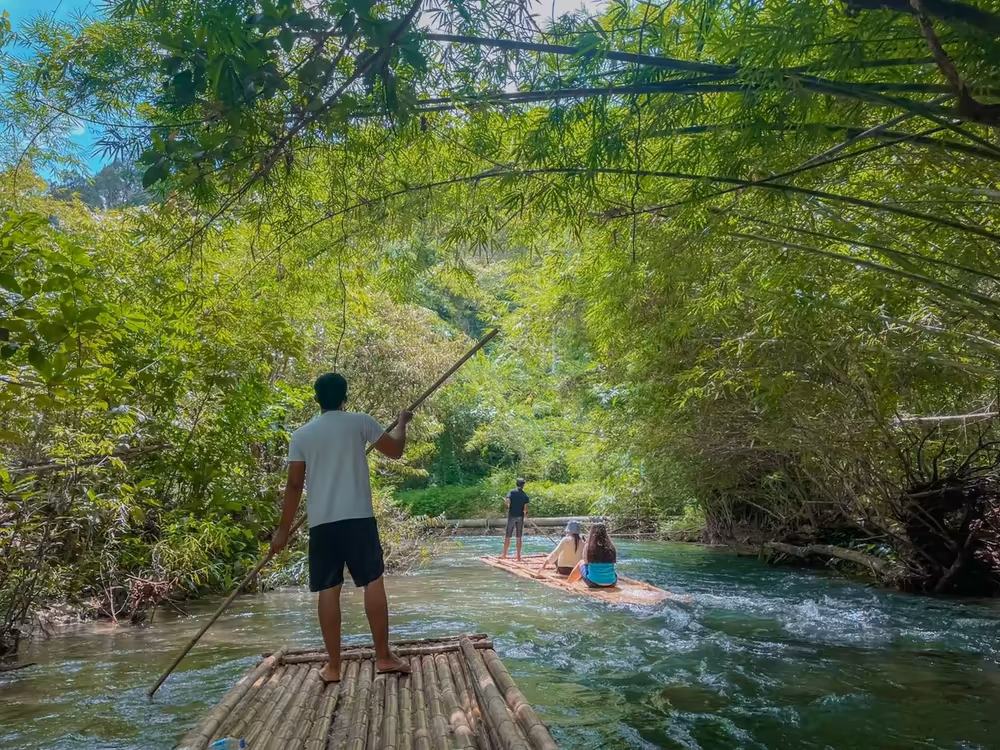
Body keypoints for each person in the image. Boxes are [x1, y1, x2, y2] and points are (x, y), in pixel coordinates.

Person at [269, 372, 413, 685]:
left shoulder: (302, 435)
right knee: (373, 583)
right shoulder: (360, 422)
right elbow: (395, 450)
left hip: (323, 525)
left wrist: (282, 531)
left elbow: (294, 485)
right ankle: (384, 657)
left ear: (316, 399)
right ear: (345, 397)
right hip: (359, 519)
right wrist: (402, 424)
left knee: (328, 590)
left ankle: (333, 666)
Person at [567, 523, 618, 588]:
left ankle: (569, 582)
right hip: (612, 582)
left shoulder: (588, 546)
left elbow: (586, 562)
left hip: (593, 583)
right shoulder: (611, 546)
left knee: (581, 562)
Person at [500, 478, 530, 561]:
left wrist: (508, 505)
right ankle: (518, 557)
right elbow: (525, 509)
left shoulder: (512, 492)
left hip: (511, 516)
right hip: (520, 517)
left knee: (508, 536)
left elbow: (507, 501)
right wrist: (525, 513)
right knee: (519, 537)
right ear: (523, 485)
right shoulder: (525, 495)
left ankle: (504, 555)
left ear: (516, 484)